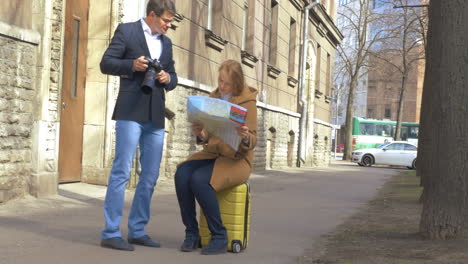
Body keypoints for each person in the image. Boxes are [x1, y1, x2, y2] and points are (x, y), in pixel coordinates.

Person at [99, 0, 178, 251]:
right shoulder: (127, 30)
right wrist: (131, 65)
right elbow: (106, 63)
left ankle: (137, 229)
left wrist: (168, 78)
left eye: (171, 22)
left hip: (155, 114)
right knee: (121, 171)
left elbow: (173, 77)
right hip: (130, 110)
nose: (168, 25)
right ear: (152, 15)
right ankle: (111, 232)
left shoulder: (167, 43)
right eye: (166, 20)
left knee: (150, 176)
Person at [174, 60, 258, 255]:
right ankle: (192, 233)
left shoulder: (248, 102)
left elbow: (253, 140)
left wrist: (245, 137)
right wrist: (201, 133)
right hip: (213, 153)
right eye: (220, 80)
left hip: (237, 159)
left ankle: (219, 236)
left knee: (199, 180)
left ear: (237, 83)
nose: (222, 86)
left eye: (227, 83)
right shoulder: (213, 97)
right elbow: (207, 136)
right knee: (182, 174)